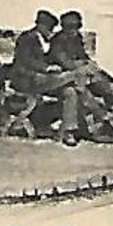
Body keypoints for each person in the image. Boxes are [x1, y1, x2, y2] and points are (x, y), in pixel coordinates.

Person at [10, 9, 89, 145]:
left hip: (45, 80)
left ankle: (68, 132)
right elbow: (26, 60)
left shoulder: (47, 41)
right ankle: (99, 113)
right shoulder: (27, 38)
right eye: (49, 29)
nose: (51, 32)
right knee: (75, 76)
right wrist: (47, 68)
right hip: (28, 79)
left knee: (70, 92)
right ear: (41, 26)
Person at [47, 10, 113, 138]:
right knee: (80, 87)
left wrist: (88, 63)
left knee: (91, 73)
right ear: (64, 27)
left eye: (76, 27)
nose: (74, 31)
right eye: (71, 28)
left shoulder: (76, 38)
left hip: (78, 77)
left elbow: (83, 56)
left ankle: (112, 98)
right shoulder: (57, 41)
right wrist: (83, 64)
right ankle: (106, 111)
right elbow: (66, 63)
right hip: (61, 78)